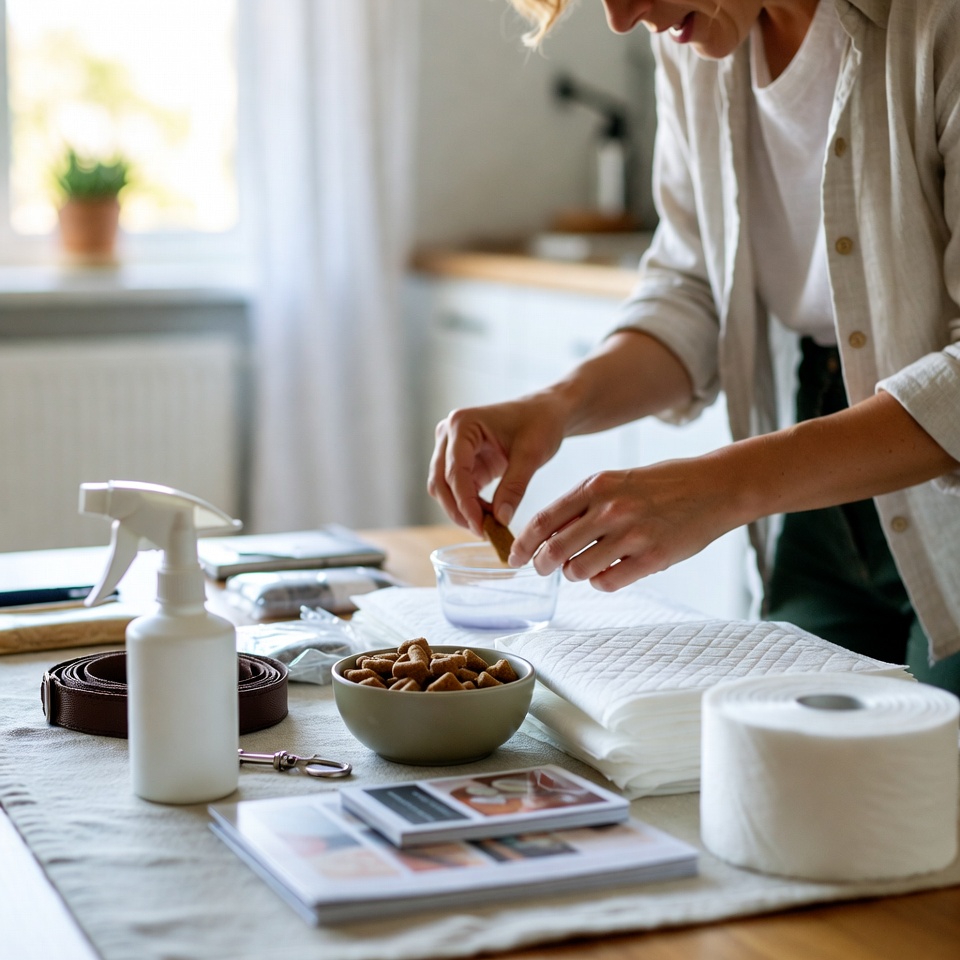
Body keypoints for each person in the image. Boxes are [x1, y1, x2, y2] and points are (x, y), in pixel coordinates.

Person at [427, 0, 960, 693]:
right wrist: (555, 406)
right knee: (791, 772)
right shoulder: (694, 38)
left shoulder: (937, 21)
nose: (621, 18)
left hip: (928, 488)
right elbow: (694, 291)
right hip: (811, 494)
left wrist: (723, 486)